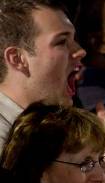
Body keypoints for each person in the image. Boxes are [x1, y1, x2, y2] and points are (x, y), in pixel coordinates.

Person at [0, 0, 86, 147]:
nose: (81, 51)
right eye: (62, 41)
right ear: (17, 59)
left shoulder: (54, 126)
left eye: (74, 39)